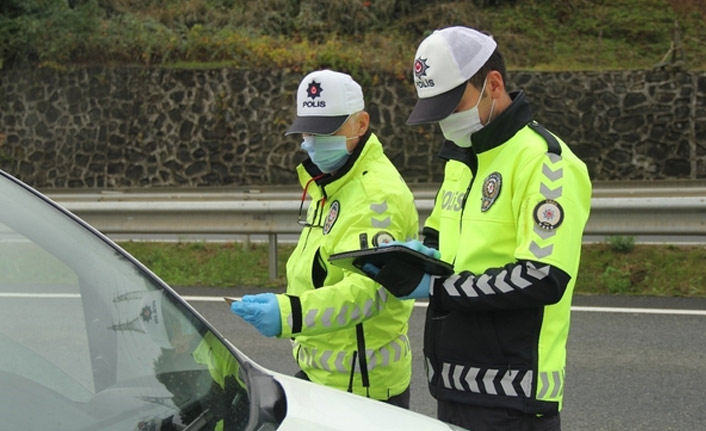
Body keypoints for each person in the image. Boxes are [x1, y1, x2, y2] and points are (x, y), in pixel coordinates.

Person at [367, 27, 592, 430]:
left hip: (513, 396)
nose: (446, 119)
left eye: (454, 104)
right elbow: (438, 239)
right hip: (452, 383)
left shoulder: (546, 162)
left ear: (493, 84)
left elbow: (543, 276)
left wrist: (437, 287)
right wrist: (407, 257)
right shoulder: (462, 161)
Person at [230, 69, 420, 408]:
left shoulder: (376, 195)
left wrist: (288, 314)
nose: (314, 140)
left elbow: (367, 293)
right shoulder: (332, 183)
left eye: (328, 129)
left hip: (363, 391)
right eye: (309, 129)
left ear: (362, 124)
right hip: (325, 379)